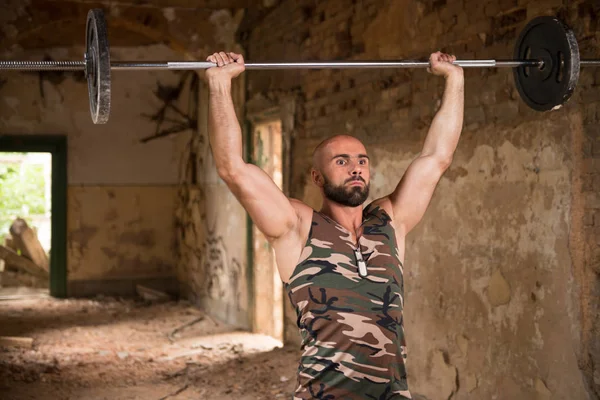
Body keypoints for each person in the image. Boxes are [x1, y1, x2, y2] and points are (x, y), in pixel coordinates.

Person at [205, 50, 464, 399]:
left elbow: (437, 157)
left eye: (362, 161)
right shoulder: (297, 226)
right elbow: (233, 169)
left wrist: (454, 79)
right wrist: (220, 85)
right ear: (317, 176)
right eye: (341, 161)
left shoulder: (389, 220)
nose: (356, 168)